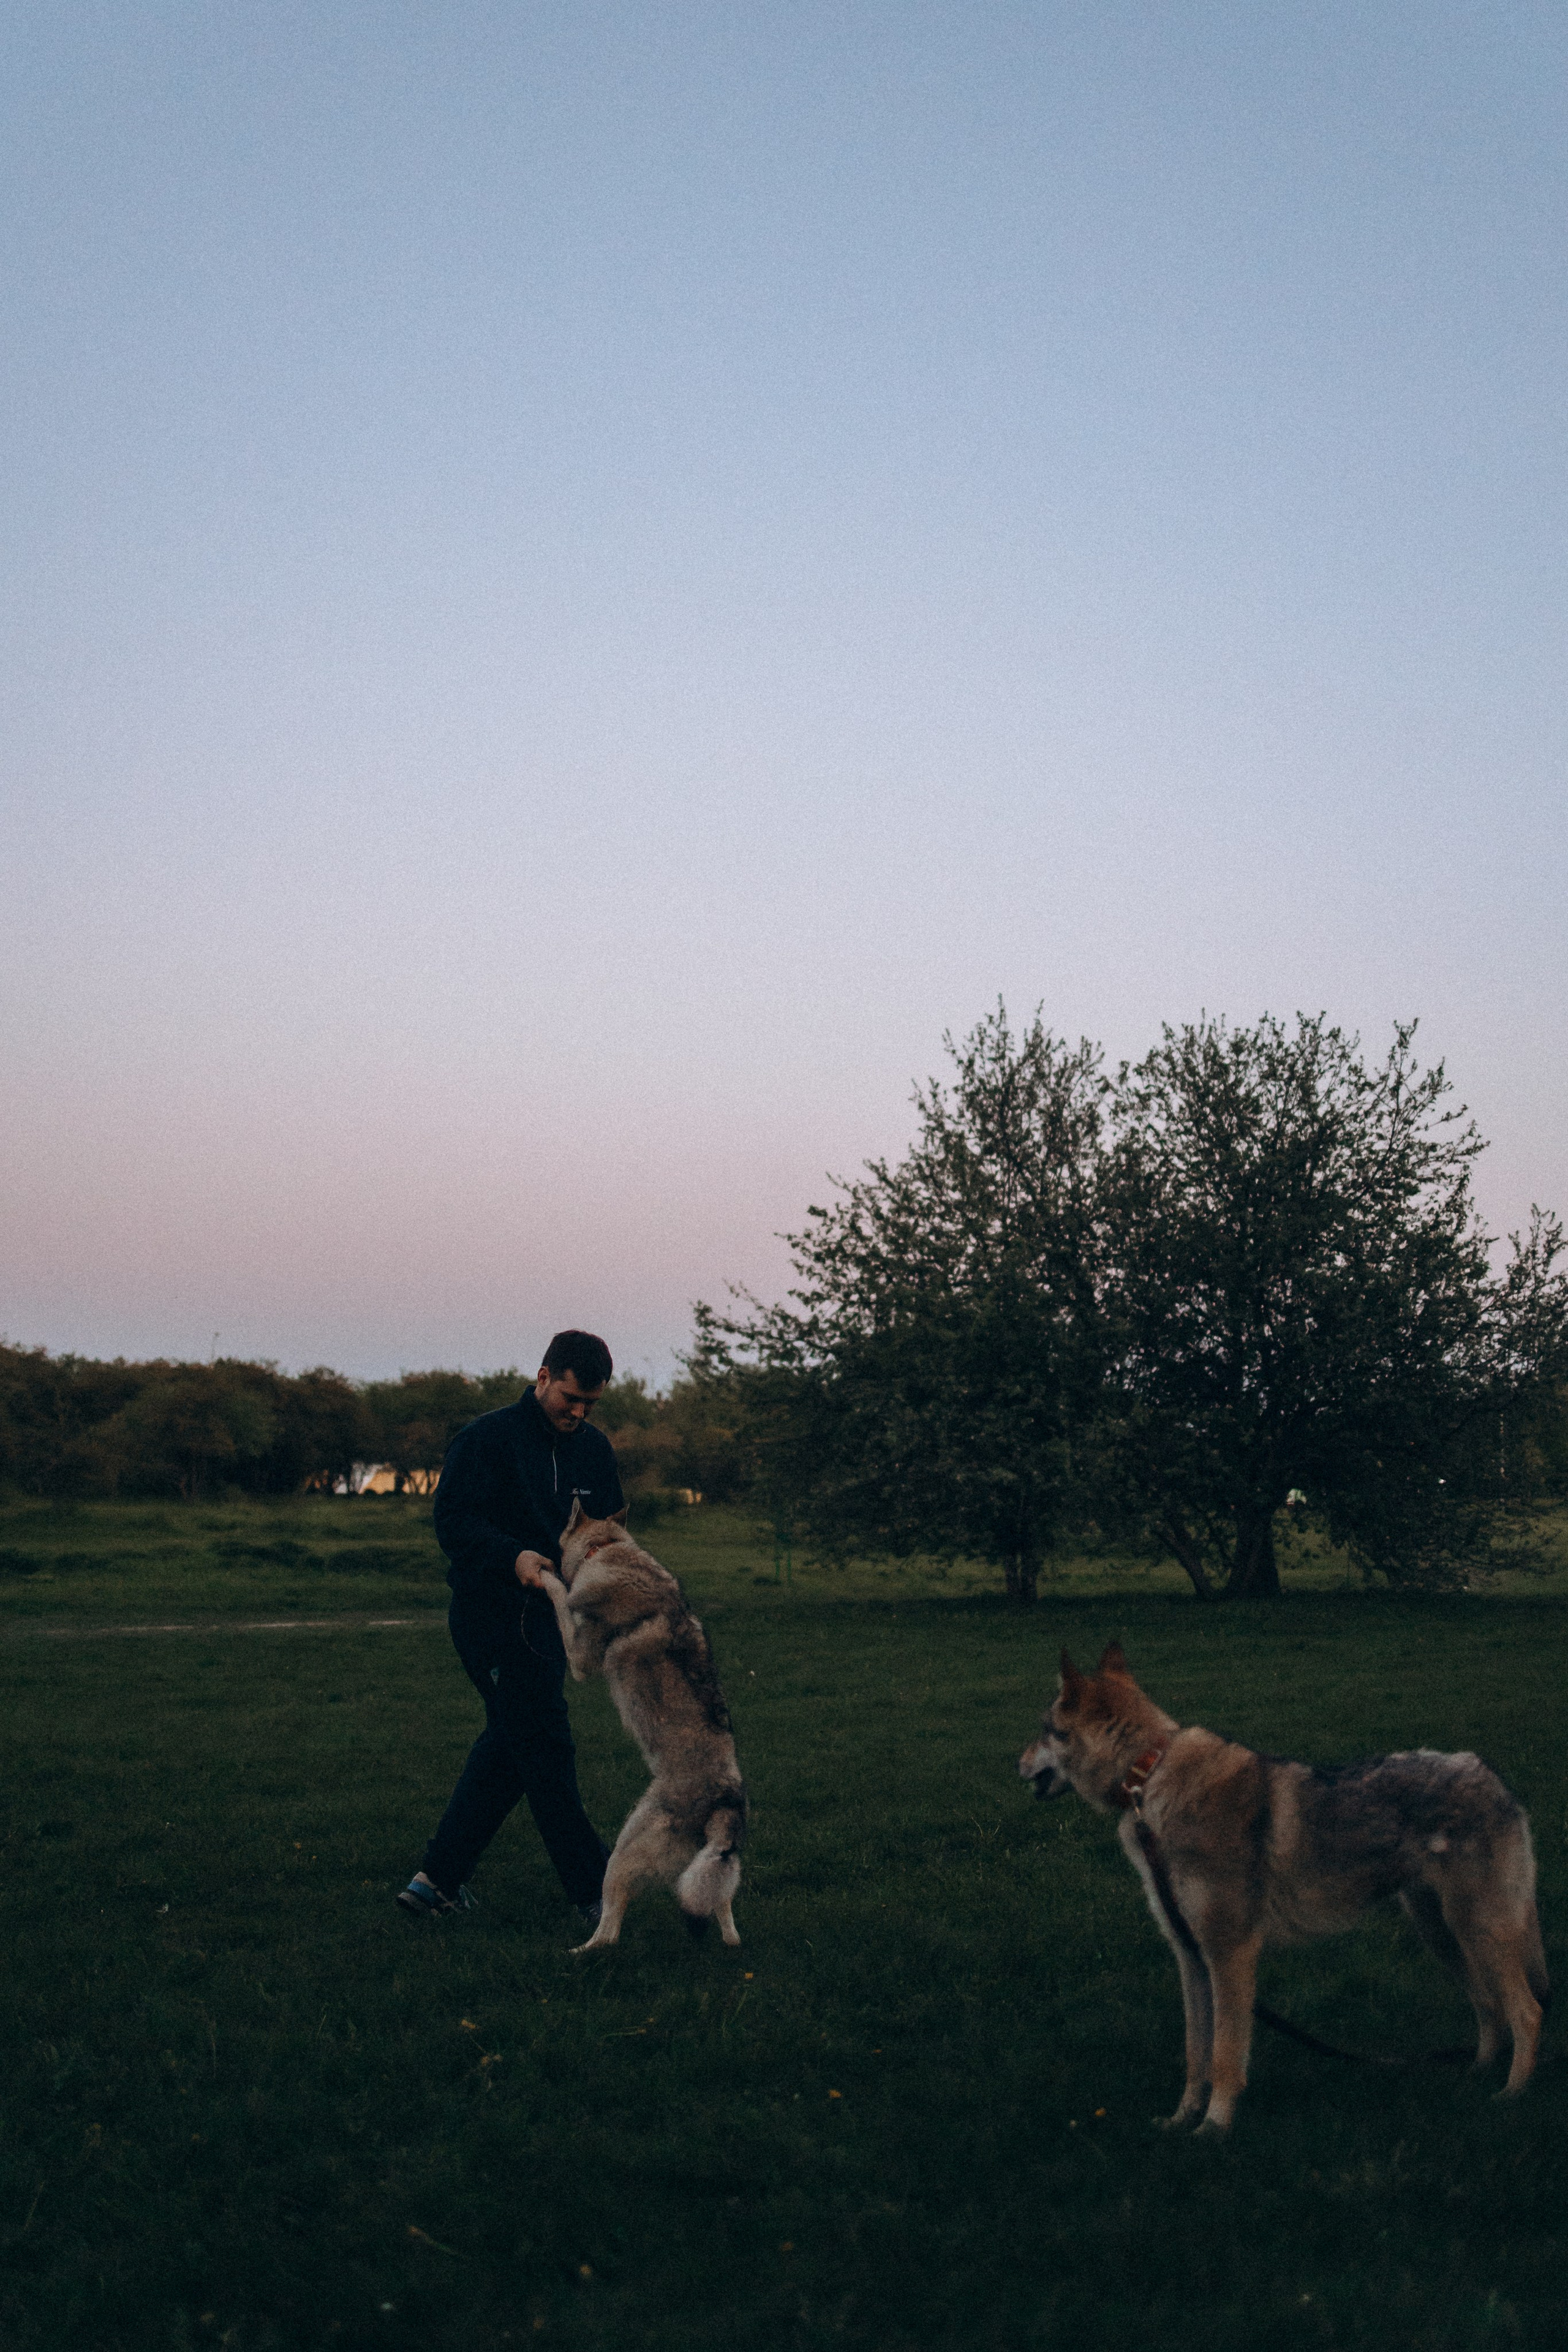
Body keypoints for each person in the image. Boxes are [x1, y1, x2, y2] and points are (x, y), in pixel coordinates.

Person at [397, 1330, 624, 1926]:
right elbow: (453, 1522)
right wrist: (512, 1557)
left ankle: (435, 1883)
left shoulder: (594, 1451)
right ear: (543, 1377)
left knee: (511, 1745)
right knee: (544, 1745)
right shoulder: (486, 1439)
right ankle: (595, 1888)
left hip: (553, 1622)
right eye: (570, 1398)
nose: (577, 1413)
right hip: (488, 1618)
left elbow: (607, 1530)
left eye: (590, 1404)